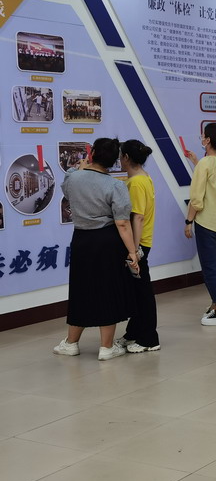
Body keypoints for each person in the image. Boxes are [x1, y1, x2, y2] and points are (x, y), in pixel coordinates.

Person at [53, 137, 139, 360]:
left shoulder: (72, 178)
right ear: (114, 161)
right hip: (107, 241)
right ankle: (106, 347)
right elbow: (123, 223)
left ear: (91, 155)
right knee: (107, 290)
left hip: (81, 240)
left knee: (81, 289)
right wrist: (132, 251)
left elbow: (68, 191)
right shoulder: (116, 185)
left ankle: (71, 343)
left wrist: (80, 169)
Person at [184, 123, 216, 326]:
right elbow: (215, 182)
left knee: (209, 268)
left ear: (208, 140)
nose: (201, 138)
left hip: (207, 223)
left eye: (203, 136)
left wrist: (188, 221)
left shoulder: (205, 164)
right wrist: (196, 161)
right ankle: (215, 304)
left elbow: (196, 199)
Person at [116, 140, 160, 352]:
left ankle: (149, 339)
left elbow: (138, 217)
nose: (118, 159)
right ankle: (133, 332)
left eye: (120, 155)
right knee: (136, 290)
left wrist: (133, 250)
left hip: (138, 243)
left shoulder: (135, 183)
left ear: (126, 157)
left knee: (142, 292)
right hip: (141, 242)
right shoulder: (143, 177)